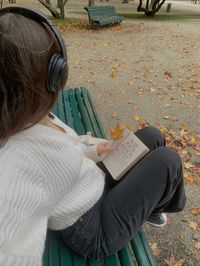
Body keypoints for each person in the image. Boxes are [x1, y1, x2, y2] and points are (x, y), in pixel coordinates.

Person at [0, 6, 186, 266]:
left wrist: (94, 150)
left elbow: (61, 148)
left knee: (152, 136)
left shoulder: (31, 112)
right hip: (93, 228)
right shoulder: (14, 160)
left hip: (92, 180)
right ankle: (159, 205)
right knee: (168, 161)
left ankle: (152, 208)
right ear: (54, 76)